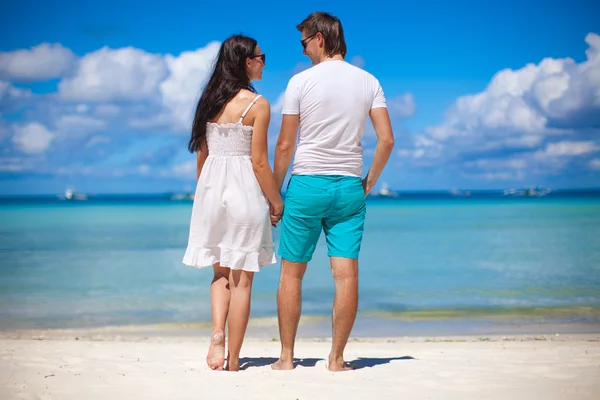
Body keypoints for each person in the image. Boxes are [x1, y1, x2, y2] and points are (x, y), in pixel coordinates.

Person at [270, 12, 395, 372]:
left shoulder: (300, 82)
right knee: (346, 276)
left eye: (304, 41)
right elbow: (386, 139)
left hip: (308, 183)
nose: (303, 47)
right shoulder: (369, 81)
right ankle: (337, 360)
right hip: (349, 187)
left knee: (292, 274)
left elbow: (283, 145)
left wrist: (275, 193)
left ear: (320, 39)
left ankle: (287, 358)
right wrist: (368, 182)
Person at [182, 34, 283, 372]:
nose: (264, 62)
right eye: (260, 56)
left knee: (219, 271)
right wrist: (275, 202)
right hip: (244, 193)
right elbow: (259, 163)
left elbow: (202, 157)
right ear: (246, 61)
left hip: (211, 191)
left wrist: (205, 196)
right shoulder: (258, 105)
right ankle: (235, 360)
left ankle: (216, 333)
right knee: (242, 280)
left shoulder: (209, 102)